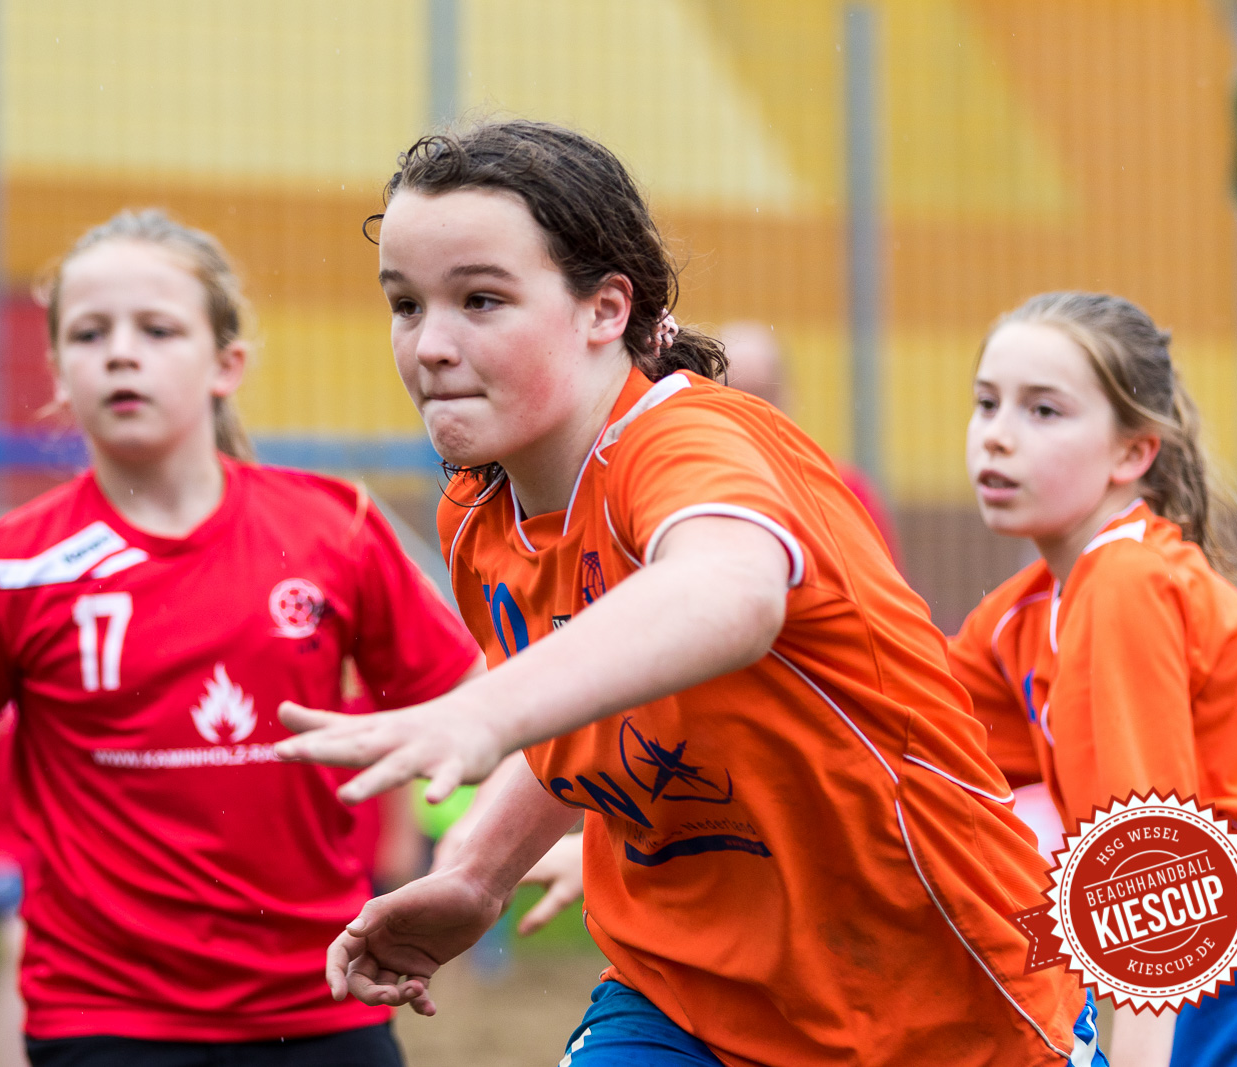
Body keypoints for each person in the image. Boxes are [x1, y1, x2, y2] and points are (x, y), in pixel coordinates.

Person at [273, 121, 1105, 1066]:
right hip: (682, 997)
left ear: (605, 309)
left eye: (481, 300)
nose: (430, 344)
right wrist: (474, 870)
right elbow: (592, 712)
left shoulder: (689, 442)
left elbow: (730, 592)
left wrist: (484, 710)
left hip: (936, 1004)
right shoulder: (477, 515)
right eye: (407, 304)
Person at [0, 209, 483, 1067]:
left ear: (225, 363)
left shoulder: (333, 528)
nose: (122, 351)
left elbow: (485, 717)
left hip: (325, 1006)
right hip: (104, 1024)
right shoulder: (14, 564)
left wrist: (484, 866)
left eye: (157, 328)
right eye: (91, 332)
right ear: (57, 371)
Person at [946, 291, 1237, 1067]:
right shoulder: (1020, 615)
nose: (999, 436)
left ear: (1131, 453)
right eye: (987, 403)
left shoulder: (1126, 584)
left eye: (1043, 411)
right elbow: (922, 754)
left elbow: (1154, 862)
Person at [718, 321, 903, 567]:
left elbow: (887, 590)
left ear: (788, 398)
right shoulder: (686, 484)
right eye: (732, 395)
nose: (748, 410)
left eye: (761, 395)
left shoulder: (842, 488)